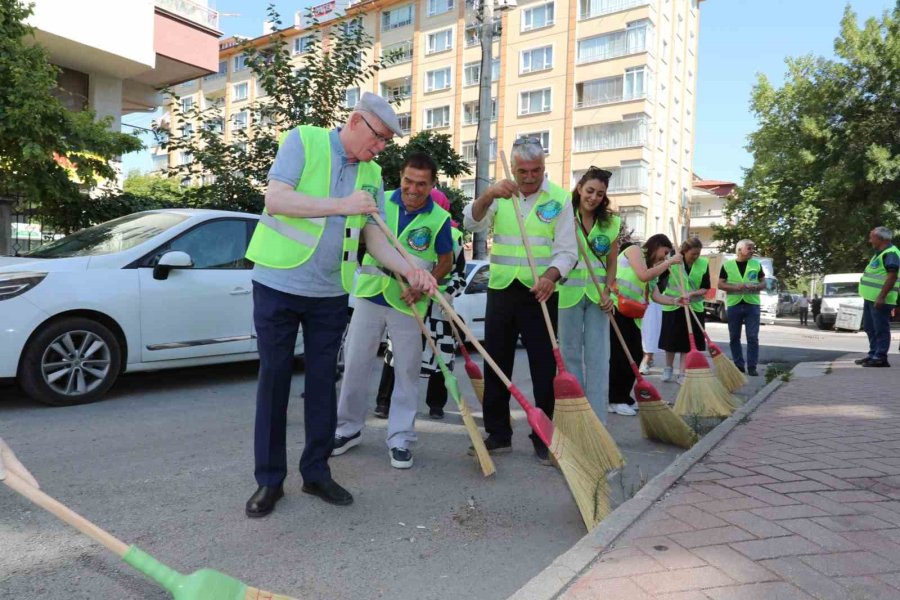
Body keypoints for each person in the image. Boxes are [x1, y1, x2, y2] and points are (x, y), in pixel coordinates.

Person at [243, 93, 437, 518]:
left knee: (321, 386)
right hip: (277, 283)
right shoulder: (304, 140)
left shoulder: (370, 173)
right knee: (273, 381)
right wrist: (341, 206)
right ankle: (269, 481)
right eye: (380, 137)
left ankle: (315, 473)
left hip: (330, 294)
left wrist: (409, 269)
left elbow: (374, 236)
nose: (382, 147)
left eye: (387, 142)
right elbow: (276, 199)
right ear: (355, 122)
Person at [332, 154, 453, 469]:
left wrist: (425, 285)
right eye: (408, 181)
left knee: (407, 373)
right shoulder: (379, 201)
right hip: (371, 295)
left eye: (421, 184)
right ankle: (347, 429)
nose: (413, 189)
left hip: (409, 303)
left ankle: (400, 438)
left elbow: (445, 261)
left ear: (432, 185)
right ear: (400, 177)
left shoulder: (439, 218)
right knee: (355, 365)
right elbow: (357, 238)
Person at [463, 137, 577, 464]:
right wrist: (487, 195)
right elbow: (472, 222)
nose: (529, 177)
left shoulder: (559, 198)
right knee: (497, 363)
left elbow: (568, 251)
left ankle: (543, 436)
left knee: (544, 366)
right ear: (512, 168)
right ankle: (498, 434)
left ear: (545, 167)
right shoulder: (501, 193)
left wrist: (551, 277)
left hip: (539, 292)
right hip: (500, 290)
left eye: (536, 170)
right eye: (523, 171)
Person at [373, 189, 467, 420]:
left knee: (442, 356)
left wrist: (442, 294)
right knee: (396, 353)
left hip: (439, 308)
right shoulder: (403, 228)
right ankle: (384, 402)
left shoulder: (454, 236)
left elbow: (459, 275)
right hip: (407, 301)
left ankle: (436, 404)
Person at [557, 167, 620, 422]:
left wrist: (608, 292)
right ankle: (576, 419)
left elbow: (612, 263)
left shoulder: (611, 223)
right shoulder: (563, 216)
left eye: (600, 193)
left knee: (598, 359)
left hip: (597, 299)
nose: (593, 197)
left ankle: (597, 422)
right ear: (580, 189)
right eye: (590, 191)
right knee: (569, 357)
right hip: (566, 295)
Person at [608, 234, 684, 413]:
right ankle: (614, 400)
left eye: (667, 255)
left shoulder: (653, 268)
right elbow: (642, 276)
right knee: (620, 356)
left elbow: (656, 295)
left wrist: (675, 301)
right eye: (664, 252)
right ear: (657, 245)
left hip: (633, 315)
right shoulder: (634, 251)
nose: (663, 257)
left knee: (634, 355)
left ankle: (623, 397)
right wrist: (669, 262)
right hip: (618, 308)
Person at [659, 237, 710, 383]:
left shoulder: (703, 264)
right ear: (684, 251)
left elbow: (705, 287)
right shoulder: (673, 261)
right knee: (671, 341)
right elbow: (659, 281)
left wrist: (692, 294)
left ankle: (682, 373)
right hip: (673, 306)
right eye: (693, 254)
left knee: (688, 342)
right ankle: (668, 368)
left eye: (698, 254)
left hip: (694, 307)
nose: (696, 257)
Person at [718, 239, 765, 377]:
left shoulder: (756, 265)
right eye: (749, 248)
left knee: (752, 337)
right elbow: (720, 284)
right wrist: (734, 287)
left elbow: (764, 283)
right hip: (734, 304)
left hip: (752, 304)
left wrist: (756, 286)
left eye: (753, 248)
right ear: (739, 250)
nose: (752, 250)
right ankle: (739, 365)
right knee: (734, 337)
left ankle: (752, 367)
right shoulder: (727, 265)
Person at [856, 226, 899, 368]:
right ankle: (873, 354)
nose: (870, 240)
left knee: (880, 328)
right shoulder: (880, 253)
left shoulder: (891, 253)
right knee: (870, 327)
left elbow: (892, 277)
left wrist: (881, 297)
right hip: (870, 299)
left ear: (881, 239)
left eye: (872, 237)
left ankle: (880, 357)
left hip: (881, 299)